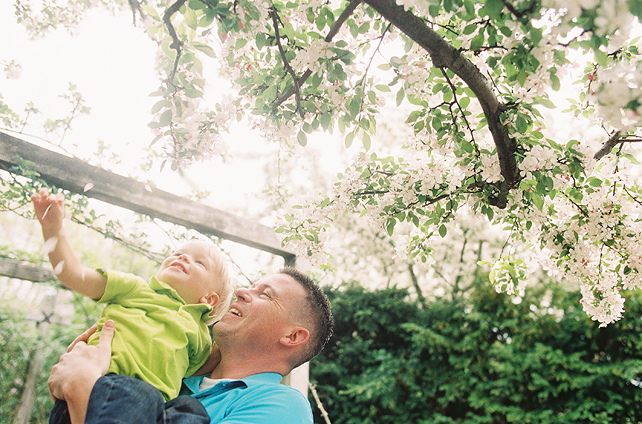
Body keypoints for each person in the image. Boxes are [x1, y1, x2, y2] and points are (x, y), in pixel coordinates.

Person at [32, 189, 234, 422]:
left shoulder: (202, 339)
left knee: (192, 410)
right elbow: (73, 275)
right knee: (143, 394)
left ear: (209, 300)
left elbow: (220, 357)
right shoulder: (135, 289)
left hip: (153, 409)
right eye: (177, 253)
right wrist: (53, 230)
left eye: (199, 262)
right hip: (104, 385)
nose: (182, 258)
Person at [47, 267, 334, 424]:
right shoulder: (170, 373)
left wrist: (82, 385)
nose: (243, 292)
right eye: (250, 286)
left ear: (293, 336)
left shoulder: (284, 407)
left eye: (265, 294)